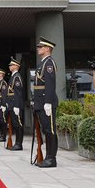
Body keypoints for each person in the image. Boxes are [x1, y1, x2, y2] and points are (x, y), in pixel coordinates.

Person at [33, 37, 58, 168]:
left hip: (46, 102)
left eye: (40, 47)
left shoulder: (49, 63)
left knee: (50, 130)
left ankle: (51, 158)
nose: (38, 49)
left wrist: (48, 102)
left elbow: (50, 84)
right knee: (46, 129)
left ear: (47, 49)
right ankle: (48, 157)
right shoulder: (42, 63)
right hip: (40, 102)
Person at [7, 58, 24, 151]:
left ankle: (19, 144)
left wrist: (16, 105)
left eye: (11, 65)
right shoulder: (13, 76)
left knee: (18, 124)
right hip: (12, 104)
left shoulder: (17, 77)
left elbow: (18, 93)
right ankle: (17, 143)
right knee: (15, 124)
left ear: (16, 66)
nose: (9, 66)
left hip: (15, 104)